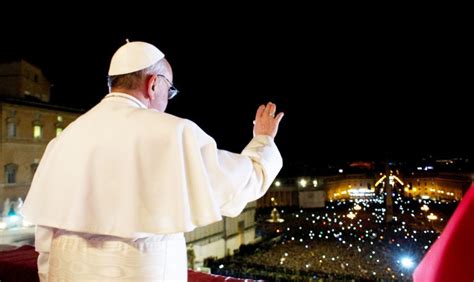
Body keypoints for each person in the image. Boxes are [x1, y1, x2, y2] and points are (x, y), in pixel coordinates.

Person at [21, 40, 284, 281]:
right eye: (168, 91)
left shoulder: (65, 138)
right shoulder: (173, 133)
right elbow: (240, 183)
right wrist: (263, 140)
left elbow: (45, 239)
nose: (167, 101)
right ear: (154, 84)